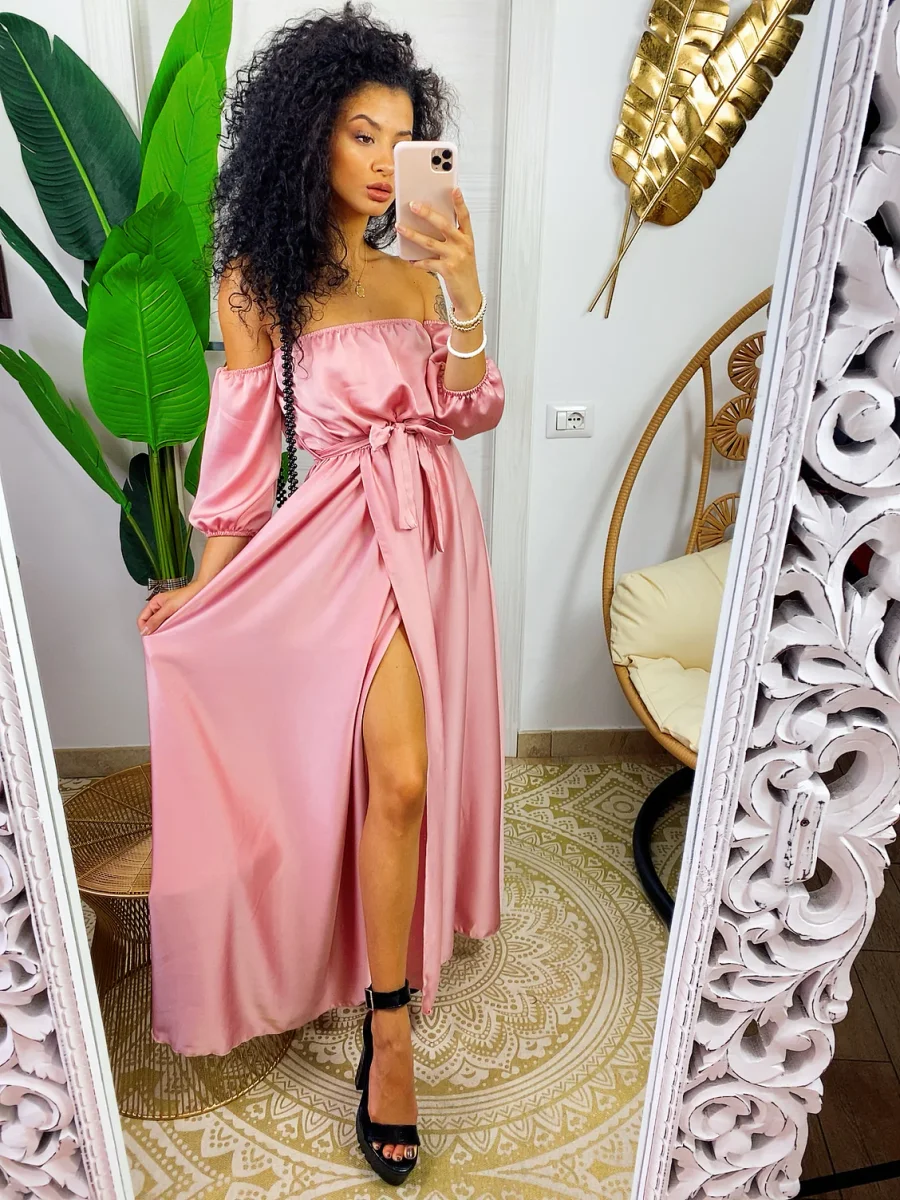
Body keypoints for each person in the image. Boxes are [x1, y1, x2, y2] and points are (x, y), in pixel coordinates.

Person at [137, 2, 505, 1185]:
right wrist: (203, 588)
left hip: (433, 533)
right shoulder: (258, 283)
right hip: (337, 540)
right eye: (360, 134)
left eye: (401, 139)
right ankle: (385, 1025)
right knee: (391, 776)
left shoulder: (417, 271)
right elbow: (242, 454)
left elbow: (469, 408)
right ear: (309, 136)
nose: (383, 162)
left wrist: (464, 285)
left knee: (403, 777)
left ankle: (385, 1023)